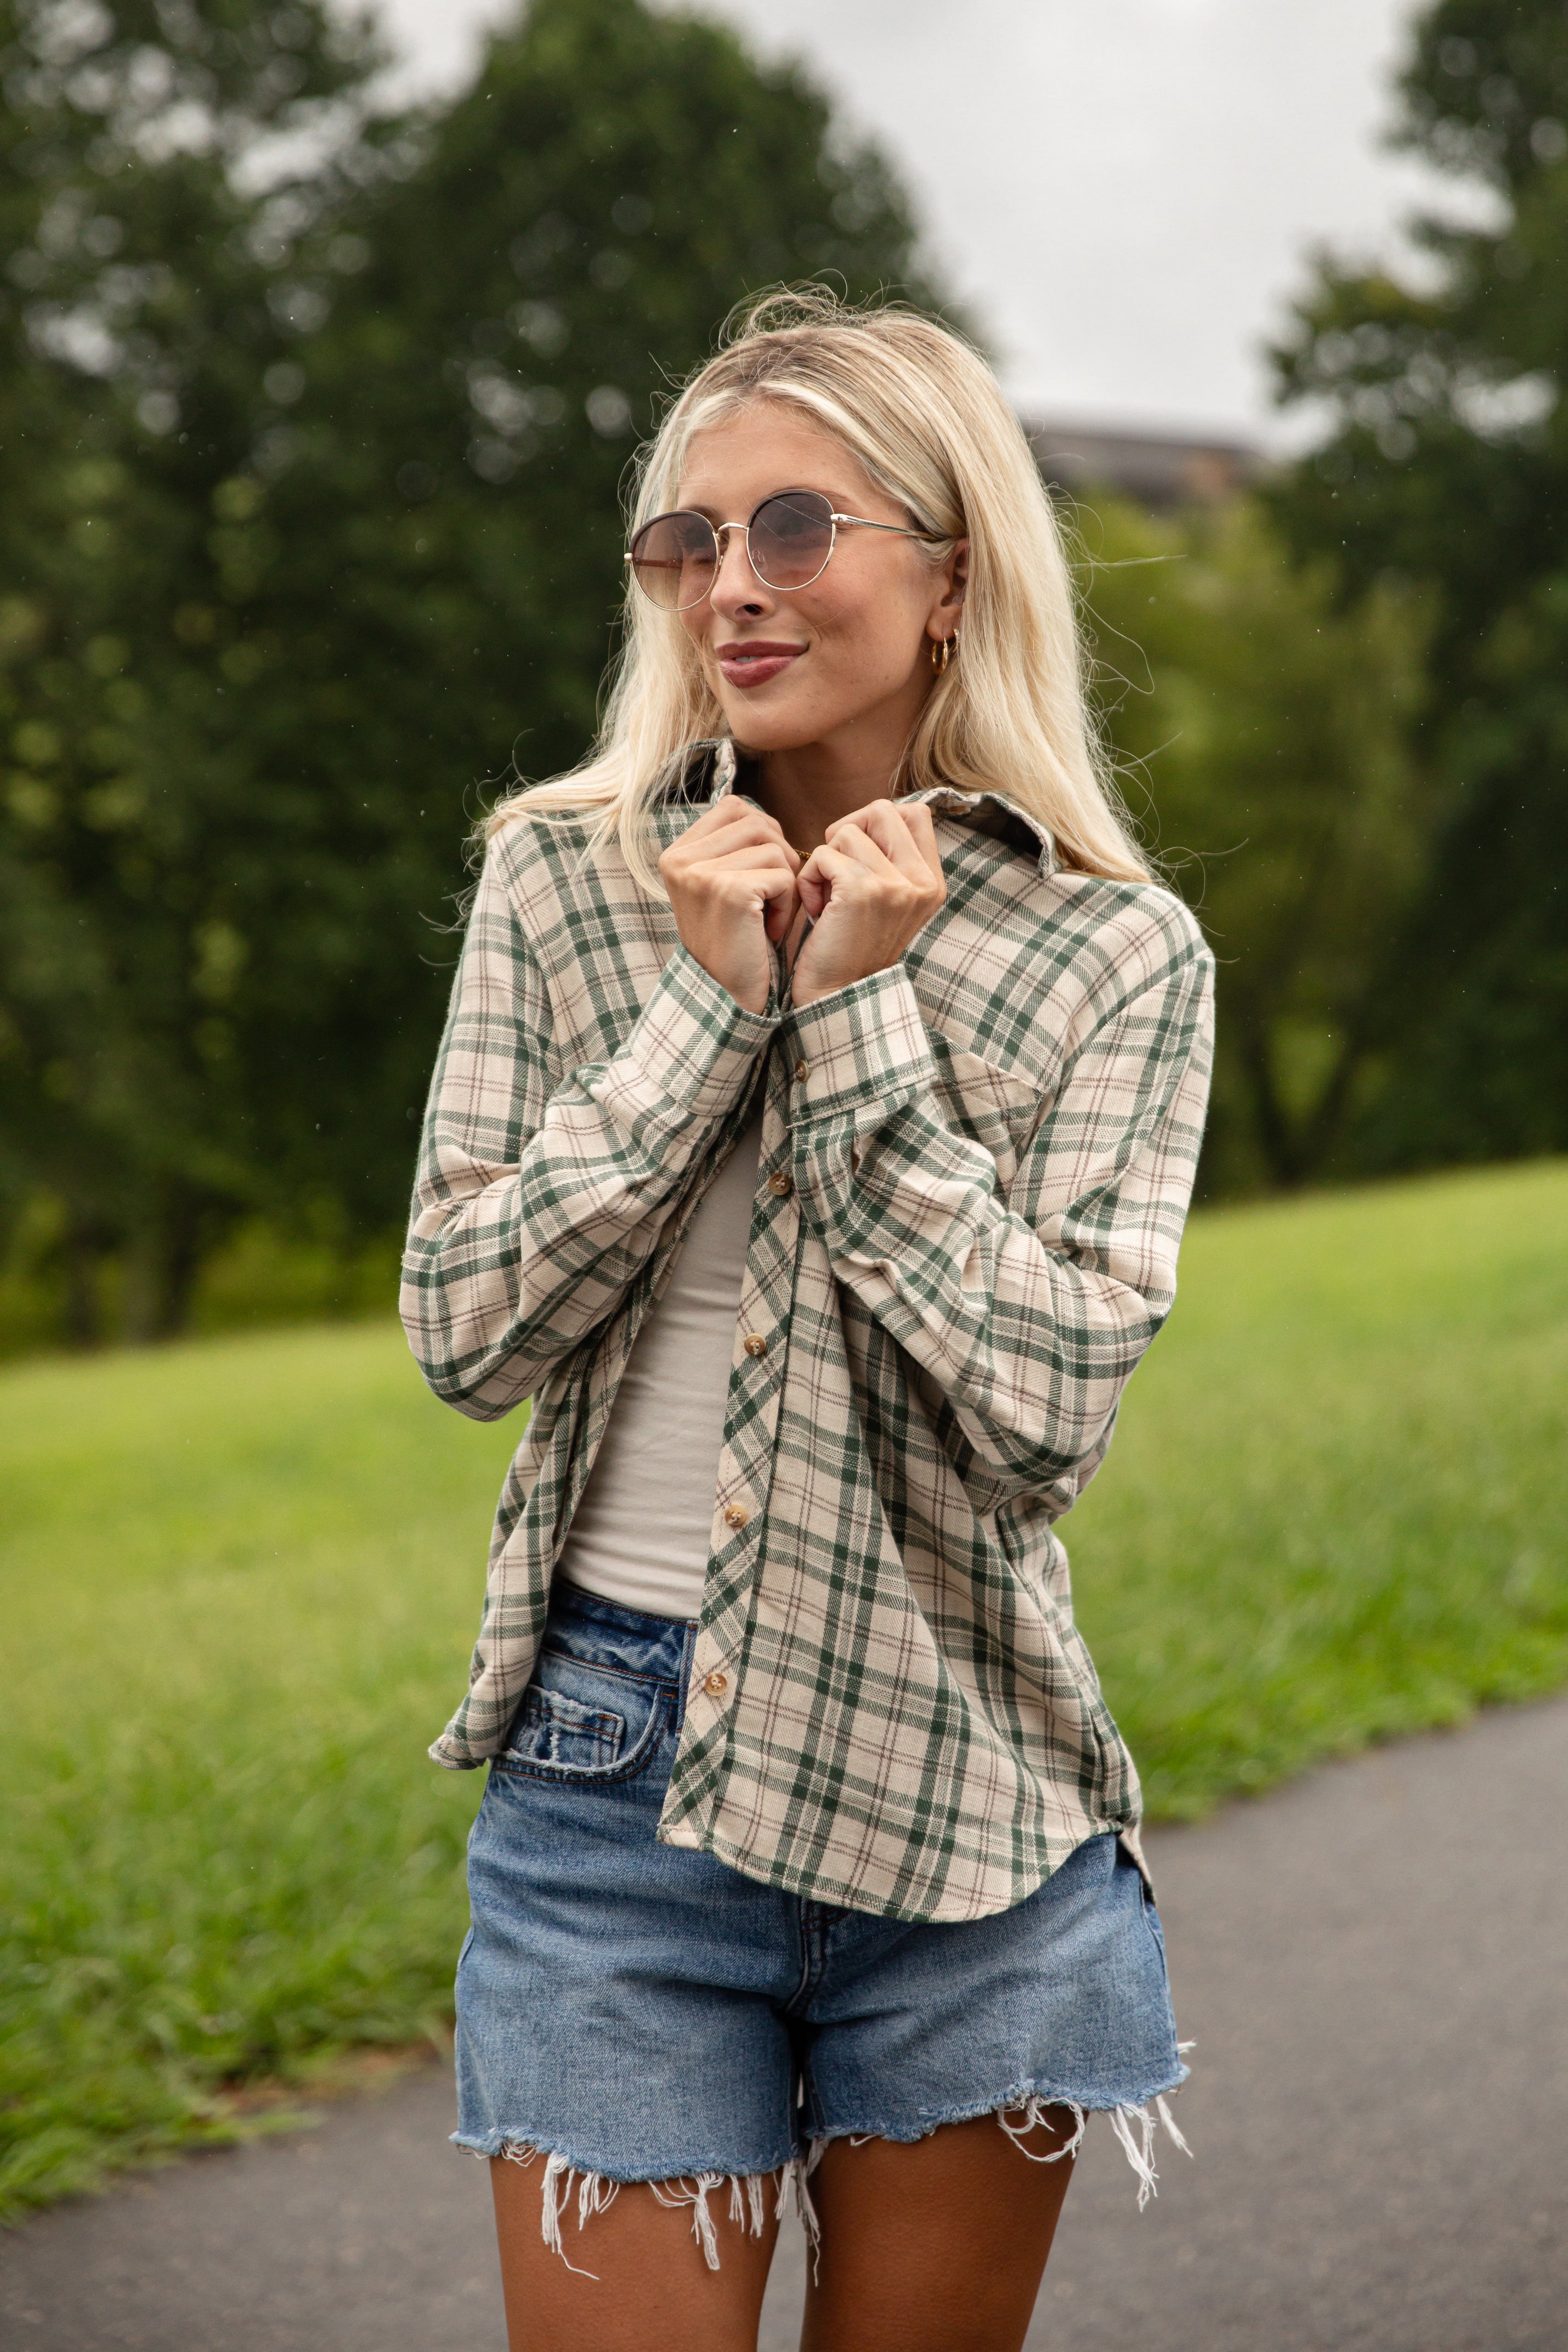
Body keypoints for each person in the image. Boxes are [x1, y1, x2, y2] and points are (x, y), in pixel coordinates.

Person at [401, 290, 1214, 2352]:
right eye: (686, 544)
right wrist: (711, 1008)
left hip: (961, 1798)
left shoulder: (1116, 951)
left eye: (792, 529)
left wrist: (854, 1017)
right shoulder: (563, 887)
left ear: (950, 575)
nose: (726, 590)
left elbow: (1041, 1416)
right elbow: (461, 1327)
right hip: (609, 1787)